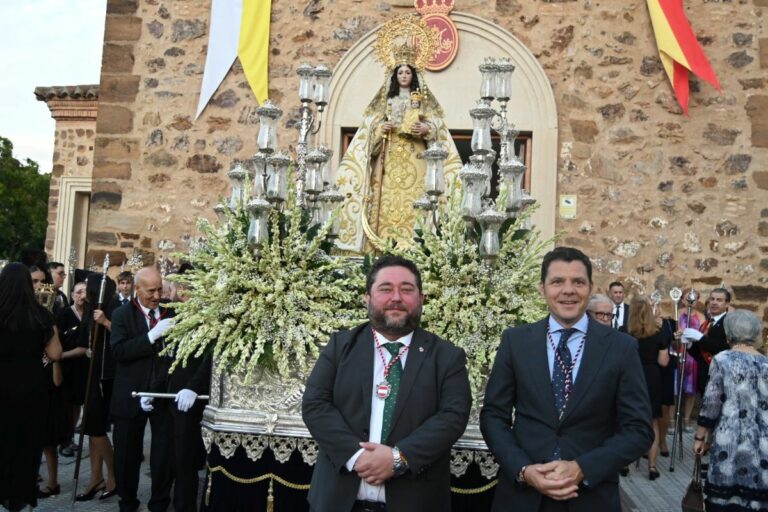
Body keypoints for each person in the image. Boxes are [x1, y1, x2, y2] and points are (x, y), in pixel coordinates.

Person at [480, 247, 653, 511]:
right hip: (522, 497)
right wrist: (524, 469)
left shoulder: (621, 348)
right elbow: (493, 416)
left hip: (591, 496)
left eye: (578, 282)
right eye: (558, 281)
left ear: (591, 287)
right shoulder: (515, 341)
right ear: (542, 288)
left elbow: (639, 430)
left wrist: (583, 468)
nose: (568, 290)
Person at [302, 255, 472, 512]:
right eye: (385, 289)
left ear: (421, 299)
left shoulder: (447, 357)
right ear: (367, 298)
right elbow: (315, 405)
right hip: (337, 502)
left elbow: (453, 417)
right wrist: (356, 457)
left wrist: (398, 457)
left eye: (406, 289)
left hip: (416, 503)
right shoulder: (340, 346)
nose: (396, 297)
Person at [335, 40, 461, 253]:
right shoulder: (386, 101)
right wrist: (380, 128)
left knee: (419, 203)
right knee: (385, 205)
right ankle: (381, 247)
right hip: (389, 161)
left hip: (417, 159)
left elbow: (438, 128)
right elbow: (368, 131)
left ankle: (418, 248)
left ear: (414, 76)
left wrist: (426, 128)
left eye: (407, 72)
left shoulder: (423, 101)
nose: (404, 76)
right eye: (400, 72)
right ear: (394, 76)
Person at [110, 267, 175, 512]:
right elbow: (119, 351)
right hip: (131, 394)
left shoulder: (172, 311)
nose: (157, 295)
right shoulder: (121, 315)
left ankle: (159, 503)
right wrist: (151, 336)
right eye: (151, 290)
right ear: (137, 289)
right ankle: (127, 502)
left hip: (163, 394)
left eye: (160, 288)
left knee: (163, 455)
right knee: (126, 455)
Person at [0, 263, 62, 512]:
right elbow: (55, 353)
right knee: (26, 447)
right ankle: (18, 499)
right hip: (31, 390)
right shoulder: (41, 314)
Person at [693, 309, 768, 511]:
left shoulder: (723, 360)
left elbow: (711, 403)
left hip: (730, 440)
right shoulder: (766, 363)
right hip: (761, 442)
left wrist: (700, 438)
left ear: (729, 332)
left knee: (726, 498)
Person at [75, 275, 118, 501]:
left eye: (86, 291)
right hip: (90, 373)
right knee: (91, 429)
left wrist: (106, 323)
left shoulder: (114, 308)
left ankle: (113, 475)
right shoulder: (91, 310)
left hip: (106, 375)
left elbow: (123, 336)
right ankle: (95, 477)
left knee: (97, 428)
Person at [626, 296, 669, 481]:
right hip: (651, 377)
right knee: (652, 422)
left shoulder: (624, 332)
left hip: (630, 377)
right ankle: (652, 466)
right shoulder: (658, 333)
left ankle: (623, 464)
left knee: (626, 421)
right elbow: (664, 362)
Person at [56, 281, 89, 457]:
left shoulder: (91, 314)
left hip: (82, 367)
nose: (81, 295)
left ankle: (70, 438)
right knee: (66, 405)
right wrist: (61, 356)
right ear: (73, 294)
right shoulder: (64, 314)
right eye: (78, 292)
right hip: (67, 365)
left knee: (77, 404)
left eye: (85, 291)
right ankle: (64, 440)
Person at [682, 287, 731, 395]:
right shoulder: (707, 323)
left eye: (719, 300)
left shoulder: (728, 322)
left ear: (727, 304)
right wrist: (690, 345)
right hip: (704, 378)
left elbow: (724, 349)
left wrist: (701, 338)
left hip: (719, 378)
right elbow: (700, 353)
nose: (714, 302)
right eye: (712, 299)